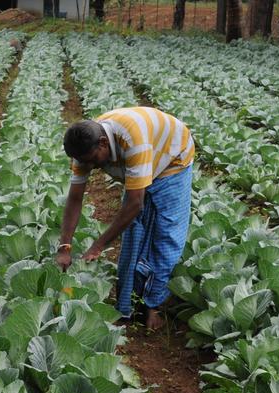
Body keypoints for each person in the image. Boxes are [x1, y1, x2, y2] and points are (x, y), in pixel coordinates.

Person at [55, 107, 195, 332]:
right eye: (83, 162)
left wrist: (98, 246)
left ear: (103, 143)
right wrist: (64, 246)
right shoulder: (84, 149)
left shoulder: (133, 141)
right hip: (142, 155)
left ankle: (154, 306)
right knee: (133, 233)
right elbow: (74, 198)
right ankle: (126, 306)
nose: (88, 166)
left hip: (172, 159)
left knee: (165, 234)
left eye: (91, 160)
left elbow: (134, 204)